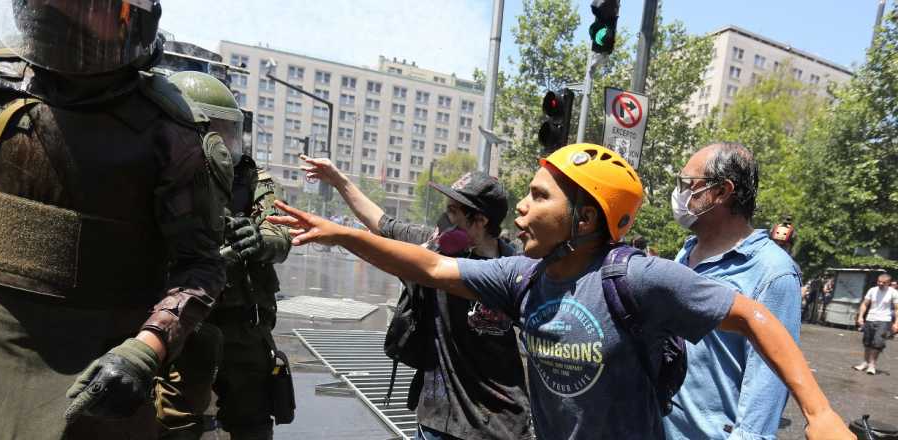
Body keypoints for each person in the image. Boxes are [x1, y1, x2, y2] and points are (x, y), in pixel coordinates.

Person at [268, 143, 853, 440]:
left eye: (539, 196)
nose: (521, 207)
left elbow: (753, 316)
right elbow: (431, 268)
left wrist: (819, 411)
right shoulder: (522, 276)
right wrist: (343, 234)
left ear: (587, 219)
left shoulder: (638, 277)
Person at [0, 1, 229, 438]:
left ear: (134, 20)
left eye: (99, 8)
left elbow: (200, 264)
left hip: (100, 373)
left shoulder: (170, 131)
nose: (77, 21)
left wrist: (147, 347)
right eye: (64, 5)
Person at [302, 156, 531, 440]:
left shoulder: (515, 270)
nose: (443, 220)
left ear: (481, 220)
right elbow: (381, 223)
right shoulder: (431, 248)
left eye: (452, 212)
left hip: (498, 423)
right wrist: (338, 180)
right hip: (439, 417)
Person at [155, 71, 293, 440]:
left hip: (245, 329)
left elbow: (279, 230)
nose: (222, 142)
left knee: (252, 425)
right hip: (183, 322)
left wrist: (259, 240)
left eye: (227, 130)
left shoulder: (252, 179)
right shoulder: (160, 176)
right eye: (210, 129)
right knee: (174, 423)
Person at [662, 143, 803, 439]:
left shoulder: (773, 272)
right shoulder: (685, 253)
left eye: (688, 184)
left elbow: (768, 383)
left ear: (722, 192)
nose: (679, 194)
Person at [853, 273, 898, 375]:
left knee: (878, 343)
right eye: (879, 282)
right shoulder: (872, 290)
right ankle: (865, 362)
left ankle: (872, 364)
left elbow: (897, 309)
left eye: (883, 283)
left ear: (889, 283)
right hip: (870, 319)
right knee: (867, 342)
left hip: (884, 320)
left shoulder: (893, 292)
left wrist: (896, 323)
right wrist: (860, 317)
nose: (880, 284)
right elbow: (865, 304)